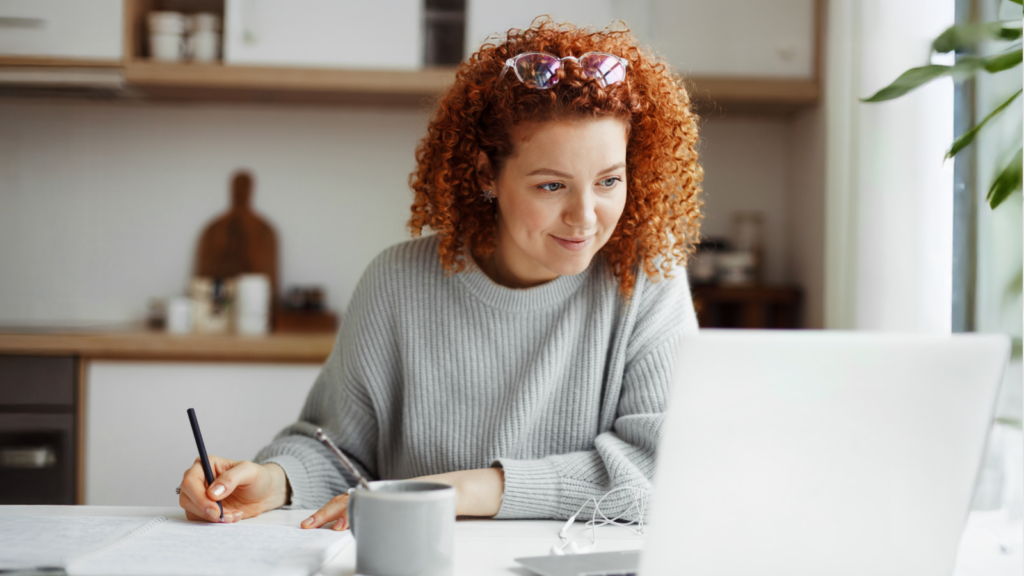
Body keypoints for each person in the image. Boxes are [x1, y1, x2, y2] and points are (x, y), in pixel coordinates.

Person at [177, 18, 703, 529]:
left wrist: (464, 491)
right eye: (551, 186)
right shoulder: (396, 283)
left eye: (609, 181)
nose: (585, 216)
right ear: (485, 175)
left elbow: (667, 467)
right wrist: (277, 479)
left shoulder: (648, 279)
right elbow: (337, 450)